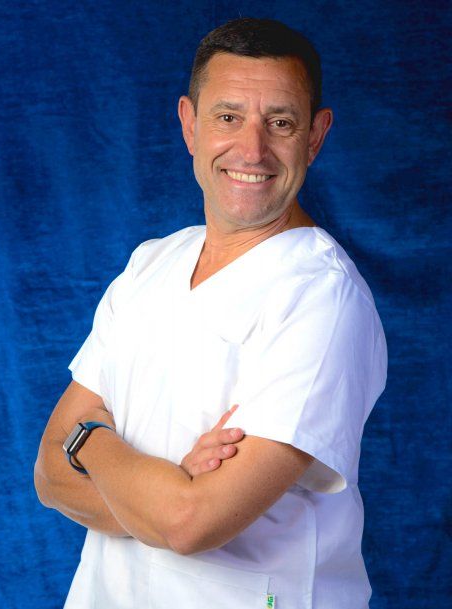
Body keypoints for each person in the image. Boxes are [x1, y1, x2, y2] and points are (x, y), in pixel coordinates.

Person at [34, 17, 387, 609]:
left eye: (280, 122)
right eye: (228, 117)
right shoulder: (151, 263)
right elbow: (49, 473)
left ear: (315, 135)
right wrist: (165, 487)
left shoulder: (323, 298)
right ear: (189, 124)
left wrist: (88, 441)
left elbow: (190, 522)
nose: (252, 150)